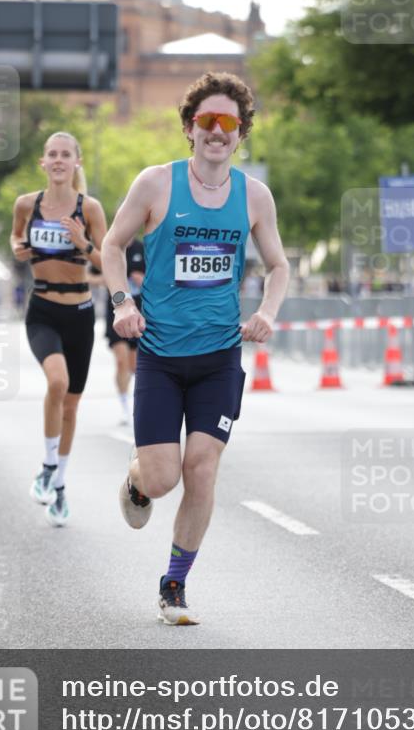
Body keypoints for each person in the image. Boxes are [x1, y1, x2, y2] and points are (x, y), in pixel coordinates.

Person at [101, 72, 289, 624]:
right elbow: (112, 245)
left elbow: (278, 265)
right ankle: (137, 479)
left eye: (228, 122)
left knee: (202, 470)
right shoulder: (157, 184)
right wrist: (122, 303)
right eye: (207, 120)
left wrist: (267, 313)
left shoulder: (254, 196)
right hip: (160, 355)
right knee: (163, 479)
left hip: (219, 358)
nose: (217, 131)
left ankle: (174, 586)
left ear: (241, 132)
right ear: (189, 127)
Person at [10, 131, 106, 527]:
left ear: (76, 162)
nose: (59, 160)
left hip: (80, 313)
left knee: (71, 405)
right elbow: (16, 234)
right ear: (43, 162)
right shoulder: (26, 204)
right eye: (52, 154)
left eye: (66, 154)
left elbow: (108, 261)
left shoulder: (90, 208)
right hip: (43, 310)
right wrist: (17, 246)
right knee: (57, 382)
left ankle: (60, 484)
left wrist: (83, 243)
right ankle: (48, 466)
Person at [95, 238, 145, 425]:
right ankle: (125, 407)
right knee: (121, 361)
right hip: (116, 314)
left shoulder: (143, 248)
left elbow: (157, 280)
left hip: (139, 314)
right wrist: (112, 280)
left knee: (135, 366)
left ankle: (137, 401)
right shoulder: (110, 246)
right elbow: (89, 276)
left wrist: (142, 280)